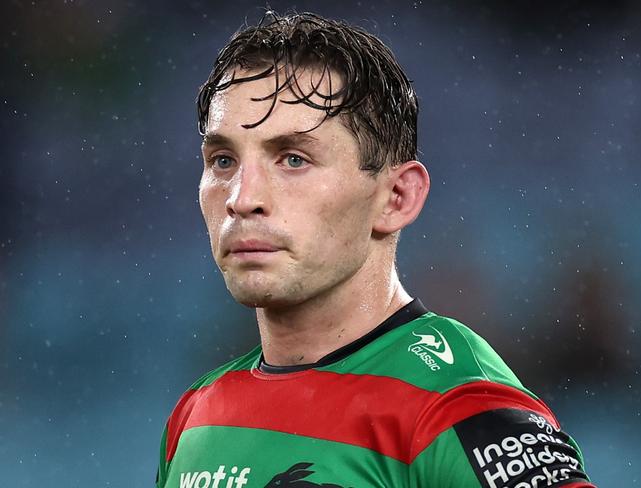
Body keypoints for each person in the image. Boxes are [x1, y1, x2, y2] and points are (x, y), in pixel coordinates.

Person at [156, 11, 596, 488]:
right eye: (223, 160)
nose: (242, 198)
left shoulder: (455, 405)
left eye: (294, 159)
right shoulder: (194, 415)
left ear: (396, 198)